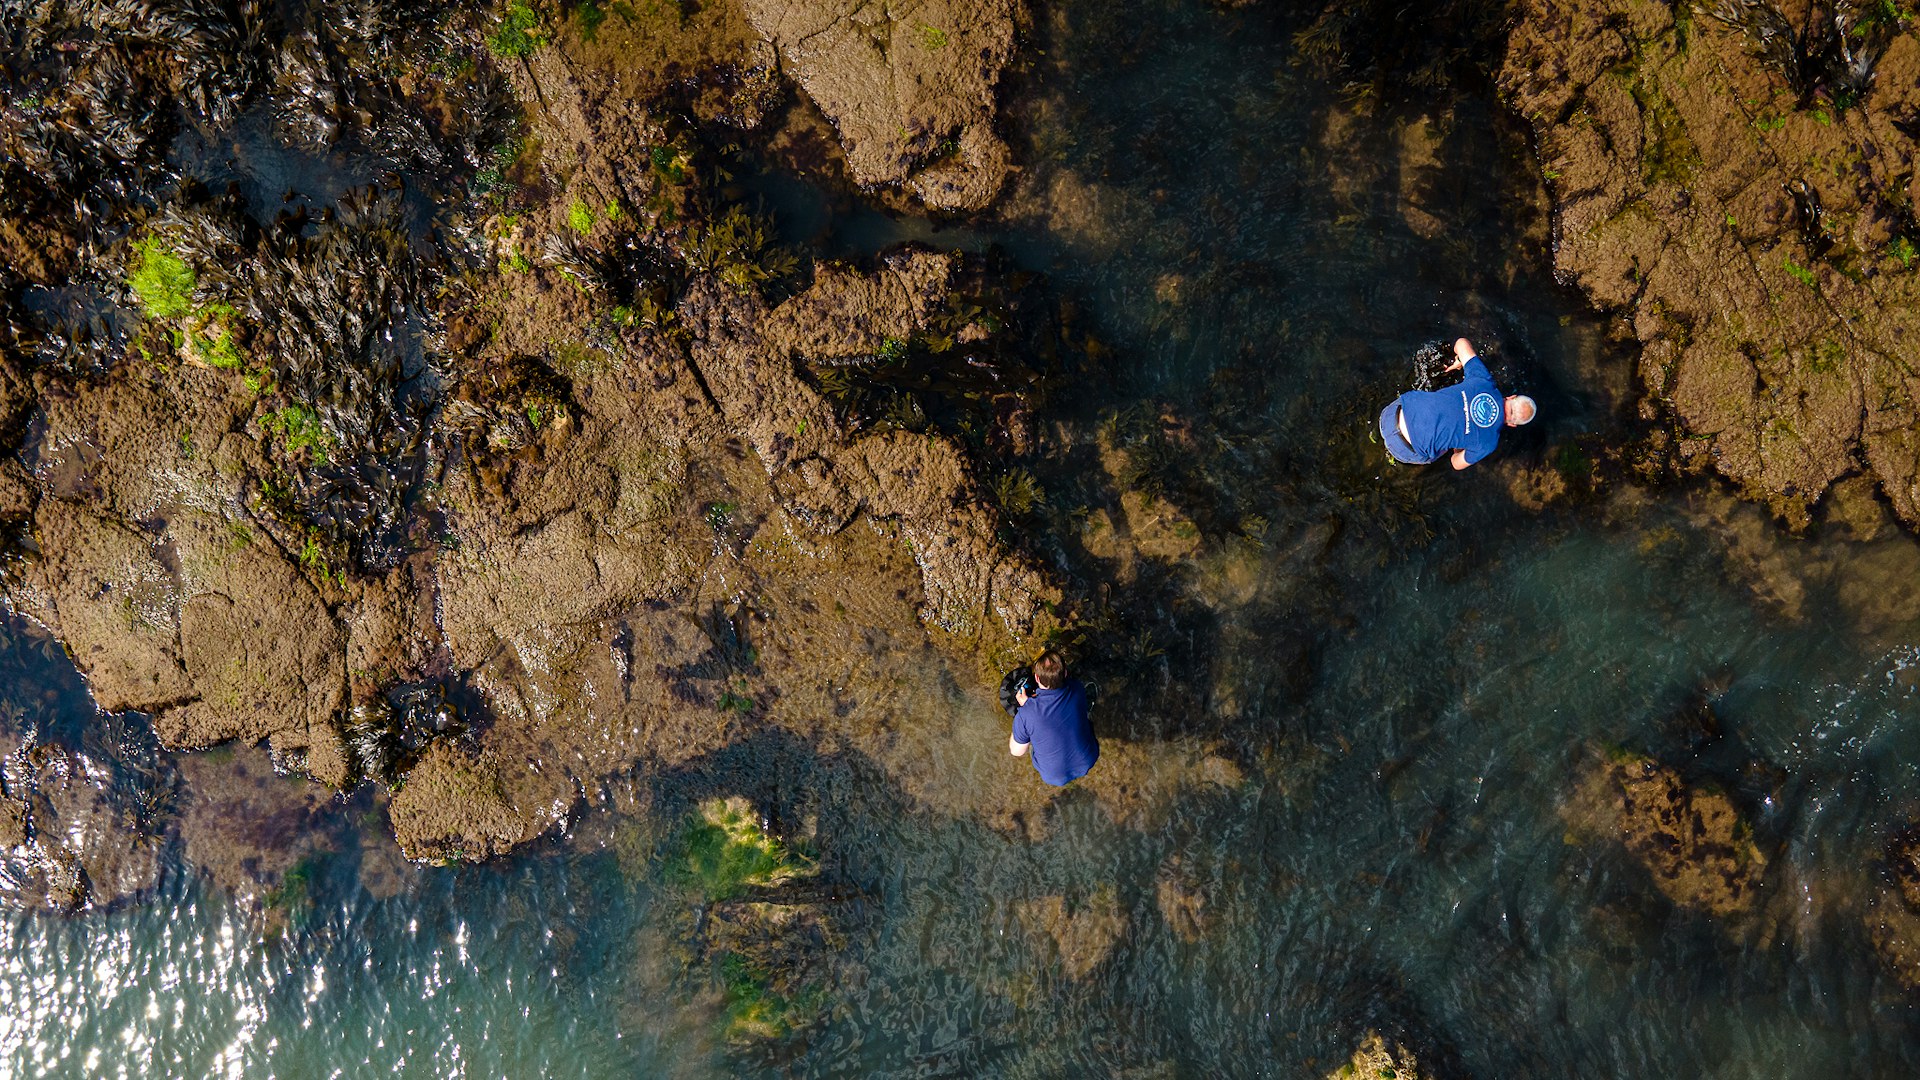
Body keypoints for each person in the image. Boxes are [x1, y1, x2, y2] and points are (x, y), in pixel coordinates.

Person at [1378, 337, 1535, 470]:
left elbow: (1461, 343)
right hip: (1403, 449)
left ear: (1512, 397)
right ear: (1513, 425)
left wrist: (1459, 361)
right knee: (1442, 447)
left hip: (1391, 414)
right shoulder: (1489, 442)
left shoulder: (1485, 381)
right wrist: (1459, 443)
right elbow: (1456, 463)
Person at [1009, 651, 1098, 785]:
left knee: (1028, 732)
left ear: (1037, 678)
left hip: (1054, 776)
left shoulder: (1026, 713)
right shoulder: (1077, 687)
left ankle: (1023, 730)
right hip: (1088, 760)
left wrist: (1023, 711)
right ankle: (1086, 708)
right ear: (1066, 673)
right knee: (1082, 714)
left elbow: (1016, 752)